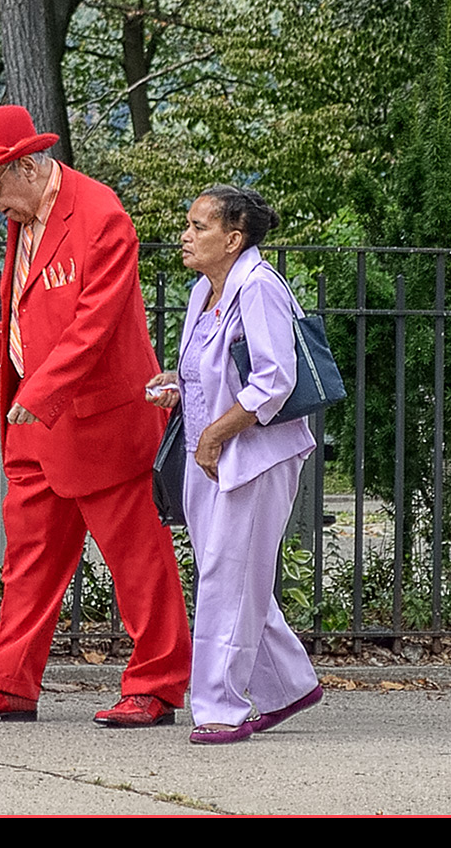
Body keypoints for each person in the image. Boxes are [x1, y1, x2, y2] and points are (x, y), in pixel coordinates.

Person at [0, 105, 191, 727]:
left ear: (25, 164)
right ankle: (6, 682)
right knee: (29, 562)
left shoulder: (101, 215)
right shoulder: (28, 217)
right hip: (36, 425)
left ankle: (156, 687)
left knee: (138, 563)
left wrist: (38, 394)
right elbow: (27, 314)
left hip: (97, 422)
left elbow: (93, 325)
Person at [146, 185, 323, 744]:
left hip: (252, 456)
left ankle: (219, 707)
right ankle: (290, 686)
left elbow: (275, 379)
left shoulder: (259, 286)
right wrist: (178, 386)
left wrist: (213, 437)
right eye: (189, 224)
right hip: (212, 452)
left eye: (199, 226)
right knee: (233, 575)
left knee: (228, 579)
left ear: (234, 237)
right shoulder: (206, 289)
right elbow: (215, 368)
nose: (186, 235)